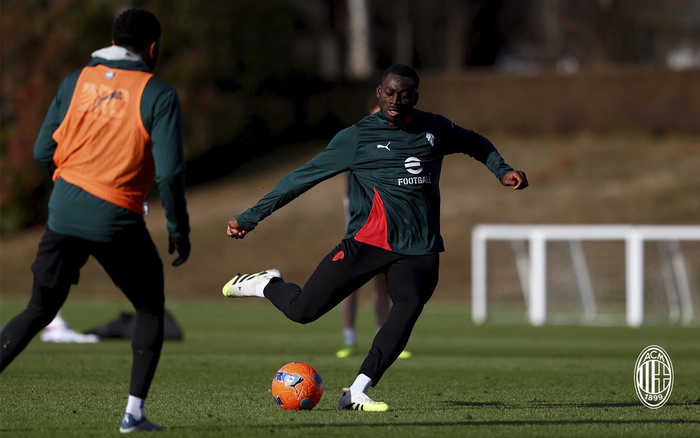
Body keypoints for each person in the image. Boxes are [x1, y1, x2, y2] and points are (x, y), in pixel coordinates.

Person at [222, 64, 528, 412]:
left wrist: (502, 170)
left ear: (415, 97)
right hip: (367, 243)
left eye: (404, 95)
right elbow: (301, 179)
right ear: (379, 92)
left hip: (420, 248)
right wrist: (250, 217)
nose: (396, 100)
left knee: (407, 308)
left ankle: (357, 390)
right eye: (390, 93)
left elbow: (474, 142)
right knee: (302, 311)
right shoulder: (356, 137)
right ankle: (266, 284)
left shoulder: (435, 128)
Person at [0, 8, 190, 433]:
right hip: (116, 218)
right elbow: (169, 174)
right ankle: (133, 415)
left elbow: (42, 152)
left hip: (64, 214)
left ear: (113, 40)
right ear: (153, 48)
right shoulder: (158, 94)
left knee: (37, 309)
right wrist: (179, 230)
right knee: (149, 308)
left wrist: (71, 184)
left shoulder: (76, 80)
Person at [336, 101, 411, 360]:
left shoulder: (397, 150)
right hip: (360, 230)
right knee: (348, 284)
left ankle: (383, 339)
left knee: (382, 285)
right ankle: (349, 338)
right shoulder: (358, 148)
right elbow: (349, 198)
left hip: (385, 231)